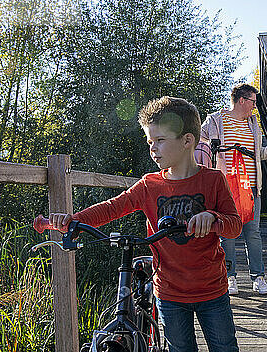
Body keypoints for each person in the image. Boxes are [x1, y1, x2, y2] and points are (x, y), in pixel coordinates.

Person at [45, 96, 242, 352]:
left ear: (187, 141)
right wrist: (74, 219)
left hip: (211, 289)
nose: (153, 148)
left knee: (225, 347)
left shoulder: (213, 181)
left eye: (160, 140)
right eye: (150, 141)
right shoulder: (149, 184)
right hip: (169, 292)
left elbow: (235, 226)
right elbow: (112, 207)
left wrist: (213, 218)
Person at [201, 83, 267, 295]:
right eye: (253, 101)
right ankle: (230, 278)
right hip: (226, 187)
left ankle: (258, 278)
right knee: (228, 233)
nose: (255, 106)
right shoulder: (216, 120)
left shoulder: (253, 124)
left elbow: (258, 154)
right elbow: (198, 140)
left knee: (253, 232)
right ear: (242, 100)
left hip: (251, 187)